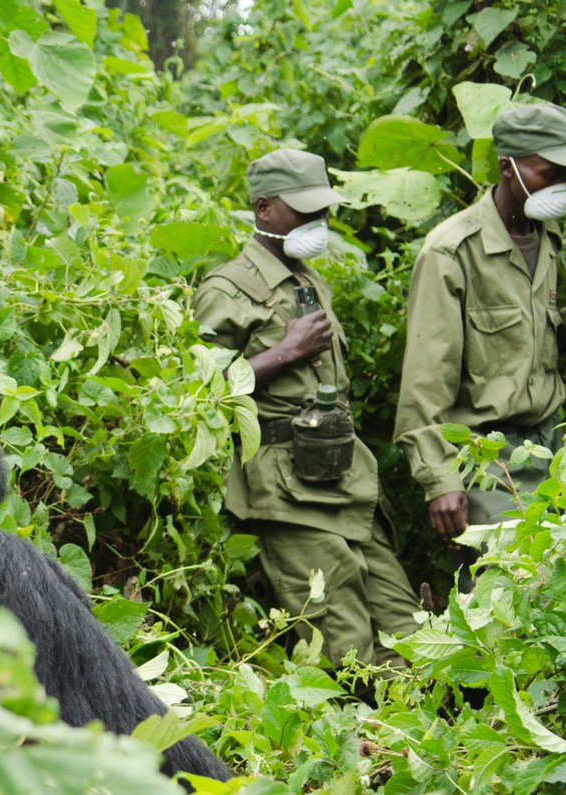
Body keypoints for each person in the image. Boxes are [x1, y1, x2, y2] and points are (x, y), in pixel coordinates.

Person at [194, 149, 421, 668]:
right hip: (284, 489)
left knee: (409, 633)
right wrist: (283, 352)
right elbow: (198, 395)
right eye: (305, 210)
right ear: (264, 209)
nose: (319, 223)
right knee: (346, 650)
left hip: (344, 482)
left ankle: (417, 745)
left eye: (323, 210)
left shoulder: (310, 281)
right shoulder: (226, 289)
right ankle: (355, 744)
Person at [395, 102, 566, 563]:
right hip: (486, 458)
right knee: (515, 590)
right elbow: (423, 383)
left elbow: (531, 344)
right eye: (549, 173)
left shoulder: (548, 237)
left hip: (555, 444)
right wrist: (440, 480)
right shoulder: (451, 253)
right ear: (507, 169)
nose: (561, 187)